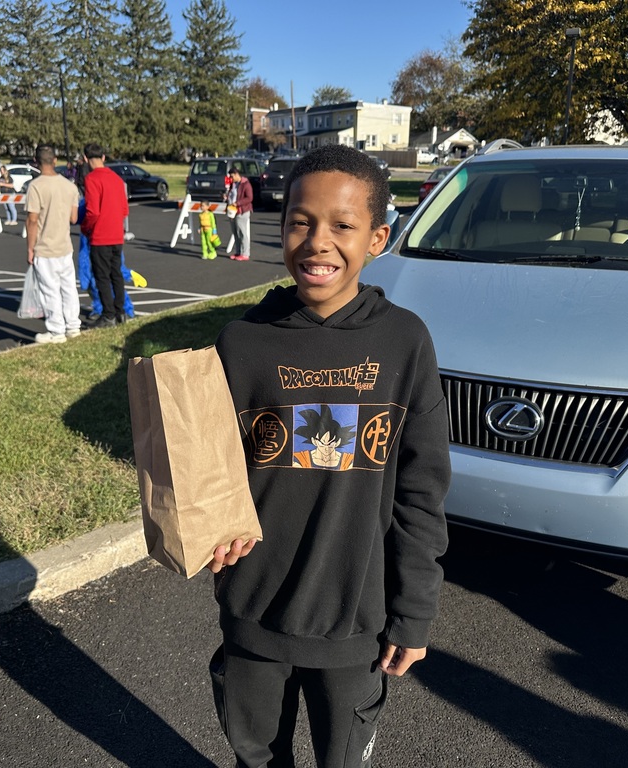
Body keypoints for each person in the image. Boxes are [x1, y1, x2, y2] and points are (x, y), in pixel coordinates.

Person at [207, 144, 451, 768]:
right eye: (301, 221)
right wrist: (207, 529)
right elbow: (208, 473)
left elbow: (421, 490)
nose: (318, 241)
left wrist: (414, 612)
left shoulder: (404, 341)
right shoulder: (240, 341)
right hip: (254, 612)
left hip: (355, 622)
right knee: (256, 755)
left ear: (377, 238)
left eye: (343, 225)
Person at [25, 144, 81, 344]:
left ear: (36, 162)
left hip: (45, 247)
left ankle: (56, 330)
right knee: (68, 288)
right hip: (64, 245)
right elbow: (74, 218)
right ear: (55, 160)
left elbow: (32, 220)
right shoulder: (70, 186)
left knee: (50, 291)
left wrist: (30, 248)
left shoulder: (36, 186)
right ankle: (73, 325)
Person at [80, 143, 129, 327]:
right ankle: (120, 311)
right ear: (103, 157)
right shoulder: (117, 179)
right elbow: (124, 209)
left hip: (100, 235)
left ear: (86, 158)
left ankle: (108, 314)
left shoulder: (91, 179)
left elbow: (92, 211)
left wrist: (86, 227)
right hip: (116, 234)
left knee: (102, 276)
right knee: (116, 273)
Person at [227, 167, 253, 261]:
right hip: (232, 211)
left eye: (232, 176)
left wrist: (238, 203)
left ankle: (245, 253)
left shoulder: (246, 184)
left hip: (242, 211)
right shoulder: (233, 184)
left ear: (237, 174)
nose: (231, 178)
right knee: (235, 232)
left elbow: (249, 198)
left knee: (242, 232)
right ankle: (238, 252)